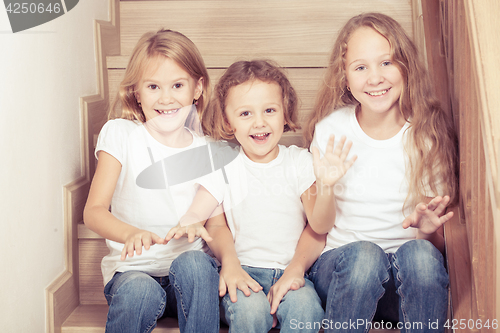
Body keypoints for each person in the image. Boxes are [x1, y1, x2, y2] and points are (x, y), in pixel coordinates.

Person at [303, 13, 458, 333]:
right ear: (345, 78)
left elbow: (431, 249)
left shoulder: (426, 134)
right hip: (343, 275)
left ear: (405, 67)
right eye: (361, 67)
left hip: (401, 289)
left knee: (420, 253)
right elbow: (318, 226)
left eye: (386, 62)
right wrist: (328, 186)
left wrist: (429, 232)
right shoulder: (331, 129)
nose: (375, 78)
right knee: (364, 257)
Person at [181, 59, 356, 333]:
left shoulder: (300, 162)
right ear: (228, 121)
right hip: (241, 271)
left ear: (285, 113)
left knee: (307, 311)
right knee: (251, 313)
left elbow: (319, 227)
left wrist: (327, 186)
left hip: (291, 272)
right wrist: (193, 221)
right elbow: (210, 220)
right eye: (245, 114)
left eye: (270, 110)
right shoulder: (223, 164)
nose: (259, 122)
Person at [83, 29, 220, 333]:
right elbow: (93, 211)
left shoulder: (207, 150)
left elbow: (215, 222)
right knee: (139, 292)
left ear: (197, 88)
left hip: (189, 274)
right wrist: (130, 233)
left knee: (196, 266)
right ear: (136, 92)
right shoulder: (120, 134)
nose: (166, 97)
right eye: (154, 86)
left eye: (178, 85)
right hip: (132, 274)